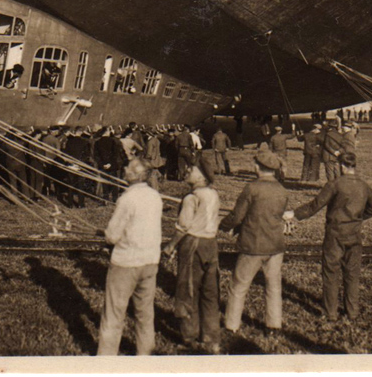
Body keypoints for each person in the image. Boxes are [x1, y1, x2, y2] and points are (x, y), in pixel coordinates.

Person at [286, 152, 372, 321]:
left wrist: (295, 214)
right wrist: (356, 219)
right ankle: (352, 312)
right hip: (354, 233)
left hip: (335, 233)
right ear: (354, 165)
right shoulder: (364, 186)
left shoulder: (334, 184)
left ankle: (331, 313)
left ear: (341, 166)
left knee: (330, 272)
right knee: (352, 273)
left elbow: (315, 206)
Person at [96, 158, 163, 356]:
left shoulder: (127, 199)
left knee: (114, 313)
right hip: (150, 260)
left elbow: (112, 235)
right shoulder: (155, 196)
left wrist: (106, 235)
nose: (124, 168)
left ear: (133, 175)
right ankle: (146, 356)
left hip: (126, 262)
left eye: (127, 167)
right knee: (145, 314)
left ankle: (106, 359)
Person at [220, 149, 290, 333]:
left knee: (238, 286)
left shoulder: (252, 188)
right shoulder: (282, 190)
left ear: (258, 167)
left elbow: (237, 216)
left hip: (253, 244)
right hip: (275, 245)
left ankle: (231, 326)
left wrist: (223, 225)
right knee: (273, 286)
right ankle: (273, 325)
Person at [163, 166, 221, 353]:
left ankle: (189, 337)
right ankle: (211, 336)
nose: (187, 170)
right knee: (210, 292)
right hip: (211, 244)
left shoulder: (191, 198)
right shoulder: (213, 194)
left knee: (187, 290)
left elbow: (183, 226)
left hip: (193, 244)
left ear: (202, 177)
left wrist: (171, 246)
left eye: (193, 169)